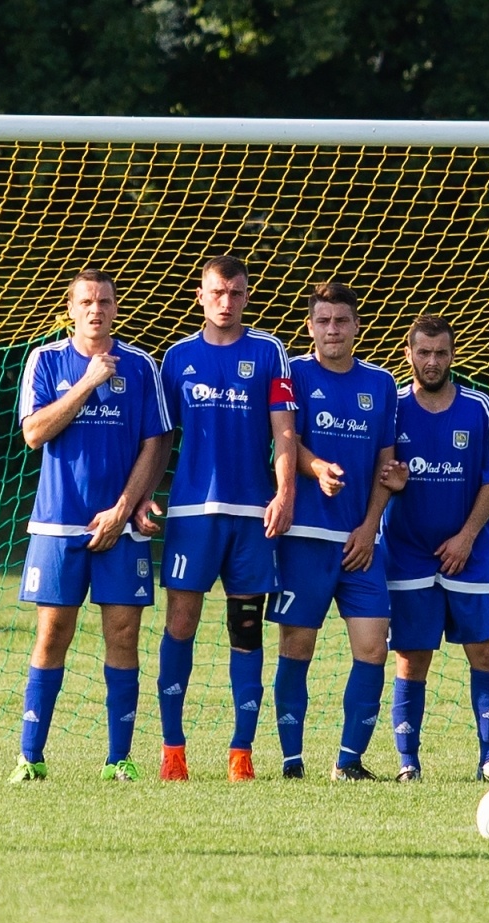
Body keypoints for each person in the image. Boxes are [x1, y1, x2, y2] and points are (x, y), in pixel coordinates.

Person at [9, 269, 173, 783]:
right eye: (86, 302)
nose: (96, 309)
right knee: (53, 633)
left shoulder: (142, 366)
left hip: (120, 528)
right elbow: (33, 433)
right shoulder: (47, 360)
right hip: (58, 527)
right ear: (71, 308)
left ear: (116, 306)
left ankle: (118, 759)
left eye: (104, 300)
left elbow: (156, 442)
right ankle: (30, 759)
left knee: (123, 636)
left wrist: (124, 508)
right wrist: (87, 383)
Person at [156, 256, 298, 782]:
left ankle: (241, 753)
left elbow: (285, 431)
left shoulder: (269, 352)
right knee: (181, 624)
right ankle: (173, 750)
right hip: (193, 514)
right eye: (217, 292)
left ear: (246, 295)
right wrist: (147, 495)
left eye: (235, 293)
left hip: (252, 515)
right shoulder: (176, 358)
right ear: (200, 295)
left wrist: (284, 494)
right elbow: (159, 438)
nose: (226, 301)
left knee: (245, 629)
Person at [266, 283, 403, 780]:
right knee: (297, 647)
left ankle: (349, 762)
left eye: (341, 321)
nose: (332, 330)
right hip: (304, 538)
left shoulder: (382, 384)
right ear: (310, 327)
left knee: (373, 647)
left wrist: (370, 526)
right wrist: (318, 467)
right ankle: (291, 761)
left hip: (362, 543)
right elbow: (286, 440)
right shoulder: (293, 374)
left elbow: (388, 467)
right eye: (323, 321)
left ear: (357, 327)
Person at [381, 315, 489, 782]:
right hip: (408, 553)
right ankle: (408, 763)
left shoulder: (478, 407)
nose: (432, 361)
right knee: (412, 657)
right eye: (424, 352)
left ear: (453, 355)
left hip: (472, 553)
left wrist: (466, 537)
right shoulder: (392, 405)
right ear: (409, 354)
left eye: (441, 353)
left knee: (485, 654)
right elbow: (378, 472)